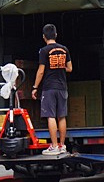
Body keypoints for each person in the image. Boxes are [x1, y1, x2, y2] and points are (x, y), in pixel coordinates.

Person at [31, 23, 73, 155]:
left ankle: (54, 146)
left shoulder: (44, 51)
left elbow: (41, 71)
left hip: (49, 87)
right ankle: (62, 145)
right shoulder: (64, 49)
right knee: (61, 116)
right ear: (56, 35)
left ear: (44, 37)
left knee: (50, 116)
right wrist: (60, 68)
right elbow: (70, 68)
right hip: (62, 87)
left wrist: (35, 87)